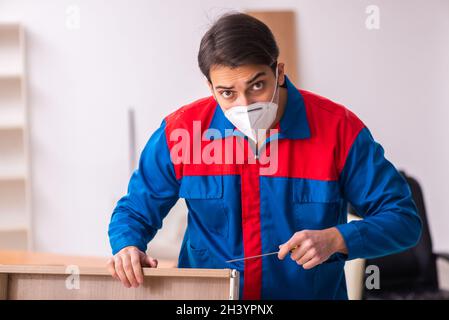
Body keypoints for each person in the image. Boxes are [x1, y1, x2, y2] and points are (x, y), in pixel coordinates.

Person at [107, 12, 422, 299]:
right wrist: (128, 246)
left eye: (257, 85)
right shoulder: (183, 131)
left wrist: (337, 239)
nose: (244, 104)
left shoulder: (338, 130)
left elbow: (403, 220)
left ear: (279, 72)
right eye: (227, 93)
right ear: (211, 88)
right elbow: (135, 209)